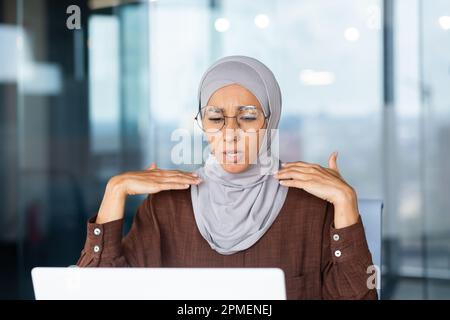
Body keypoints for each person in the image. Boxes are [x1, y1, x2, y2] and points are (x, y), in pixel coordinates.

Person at [77, 55, 377, 300]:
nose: (230, 134)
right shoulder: (166, 207)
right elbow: (92, 293)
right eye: (215, 118)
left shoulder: (311, 206)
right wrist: (115, 191)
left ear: (270, 121)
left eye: (247, 117)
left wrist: (345, 202)